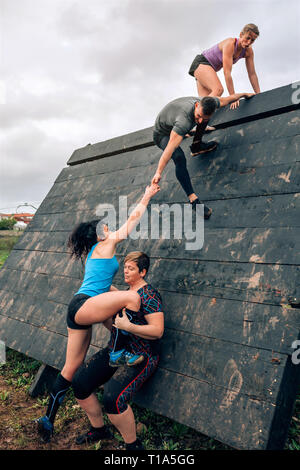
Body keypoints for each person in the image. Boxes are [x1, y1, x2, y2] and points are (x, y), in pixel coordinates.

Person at [36, 183, 160, 442]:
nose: (109, 228)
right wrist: (147, 195)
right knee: (131, 297)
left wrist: (113, 298)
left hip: (80, 308)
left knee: (71, 369)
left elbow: (103, 286)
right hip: (84, 305)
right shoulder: (106, 244)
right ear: (100, 234)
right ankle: (119, 352)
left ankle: (48, 419)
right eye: (105, 227)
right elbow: (132, 220)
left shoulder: (96, 251)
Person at [71, 251, 164, 451]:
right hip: (118, 351)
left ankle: (133, 445)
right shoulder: (125, 295)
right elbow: (116, 327)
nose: (126, 271)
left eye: (131, 268)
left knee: (113, 398)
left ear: (143, 272)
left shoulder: (150, 296)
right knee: (79, 382)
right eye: (125, 268)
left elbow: (157, 331)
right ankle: (99, 429)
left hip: (142, 357)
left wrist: (129, 327)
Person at [152, 93, 254, 218]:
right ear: (196, 106)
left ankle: (197, 146)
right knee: (179, 157)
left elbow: (226, 99)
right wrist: (158, 172)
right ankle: (193, 200)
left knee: (203, 121)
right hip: (162, 135)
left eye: (203, 118)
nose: (199, 121)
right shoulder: (183, 122)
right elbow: (168, 150)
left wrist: (244, 94)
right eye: (198, 116)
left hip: (175, 123)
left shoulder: (209, 103)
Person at [189, 23, 260, 113]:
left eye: (252, 40)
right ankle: (191, 114)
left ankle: (197, 122)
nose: (249, 42)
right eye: (247, 38)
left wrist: (259, 94)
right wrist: (233, 97)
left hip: (206, 69)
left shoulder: (248, 51)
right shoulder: (230, 44)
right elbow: (227, 73)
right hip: (201, 63)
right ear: (241, 35)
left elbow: (252, 74)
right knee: (218, 90)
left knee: (206, 105)